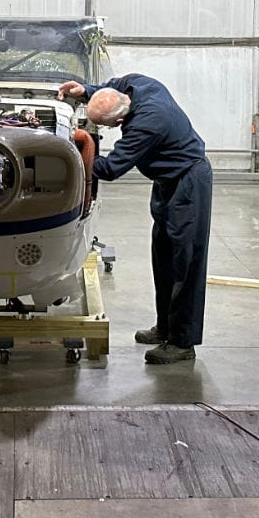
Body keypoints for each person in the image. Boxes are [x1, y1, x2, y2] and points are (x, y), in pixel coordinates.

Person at [58, 74, 211, 364]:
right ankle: (166, 327)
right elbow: (109, 86)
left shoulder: (147, 124)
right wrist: (85, 91)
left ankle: (182, 343)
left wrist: (65, 160)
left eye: (102, 126)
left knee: (185, 262)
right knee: (163, 256)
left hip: (188, 182)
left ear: (117, 122)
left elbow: (110, 168)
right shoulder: (138, 84)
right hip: (167, 181)